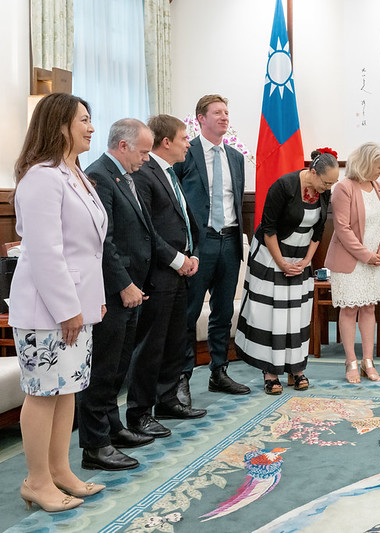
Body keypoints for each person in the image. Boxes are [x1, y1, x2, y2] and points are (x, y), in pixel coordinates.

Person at [9, 93, 107, 511]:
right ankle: (36, 480)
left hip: (75, 306)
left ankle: (60, 471)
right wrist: (69, 307)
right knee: (44, 392)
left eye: (90, 119)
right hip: (46, 308)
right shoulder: (41, 177)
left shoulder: (76, 174)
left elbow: (89, 248)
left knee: (67, 390)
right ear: (59, 124)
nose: (90, 127)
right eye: (83, 120)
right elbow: (46, 251)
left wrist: (92, 300)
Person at [78, 119, 156, 472]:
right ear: (123, 146)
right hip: (112, 289)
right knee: (104, 369)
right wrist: (124, 284)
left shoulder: (124, 175)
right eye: (143, 152)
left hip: (131, 287)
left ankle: (112, 428)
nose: (146, 159)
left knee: (119, 366)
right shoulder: (99, 176)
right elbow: (103, 241)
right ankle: (95, 445)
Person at [127, 114, 206, 440]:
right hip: (158, 274)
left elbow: (184, 222)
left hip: (180, 272)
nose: (189, 143)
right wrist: (177, 260)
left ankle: (168, 399)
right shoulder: (144, 174)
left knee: (175, 340)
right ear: (166, 142)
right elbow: (145, 231)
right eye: (185, 137)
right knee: (150, 346)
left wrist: (193, 254)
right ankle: (140, 413)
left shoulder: (170, 174)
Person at [235, 148, 338, 394]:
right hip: (272, 257)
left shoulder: (324, 191)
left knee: (297, 315)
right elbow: (268, 229)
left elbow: (319, 231)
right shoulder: (283, 186)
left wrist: (306, 262)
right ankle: (270, 372)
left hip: (300, 259)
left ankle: (296, 368)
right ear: (312, 172)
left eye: (332, 183)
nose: (328, 188)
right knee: (272, 315)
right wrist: (281, 263)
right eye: (325, 182)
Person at [173, 95, 250, 397]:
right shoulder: (185, 153)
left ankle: (219, 371)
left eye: (227, 112)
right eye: (217, 112)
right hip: (199, 243)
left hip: (230, 241)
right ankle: (182, 377)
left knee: (222, 312)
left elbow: (237, 201)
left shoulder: (235, 157)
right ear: (201, 118)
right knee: (189, 314)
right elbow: (174, 199)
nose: (224, 117)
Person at [324, 142, 380, 383]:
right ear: (365, 164)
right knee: (349, 309)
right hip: (350, 261)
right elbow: (342, 229)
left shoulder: (377, 187)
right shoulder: (344, 188)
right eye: (379, 167)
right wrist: (366, 255)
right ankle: (351, 361)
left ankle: (368, 361)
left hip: (374, 262)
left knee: (370, 308)